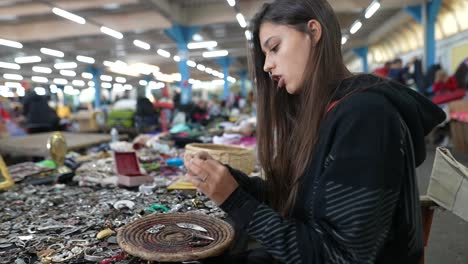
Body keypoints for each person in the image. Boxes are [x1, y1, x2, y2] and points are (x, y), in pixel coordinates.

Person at [184, 0, 445, 263]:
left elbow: (341, 257)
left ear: (313, 32)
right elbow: (299, 202)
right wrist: (231, 181)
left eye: (274, 48)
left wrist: (236, 201)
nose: (267, 66)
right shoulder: (328, 112)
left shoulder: (366, 117)